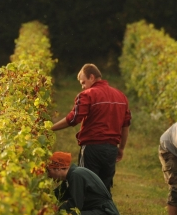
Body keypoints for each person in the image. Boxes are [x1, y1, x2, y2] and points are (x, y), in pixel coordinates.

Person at [51, 64, 131, 192]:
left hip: (92, 148)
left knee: (85, 184)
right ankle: (104, 211)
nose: (82, 87)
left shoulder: (87, 95)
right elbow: (125, 125)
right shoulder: (121, 97)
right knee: (104, 188)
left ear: (92, 77)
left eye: (83, 82)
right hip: (111, 149)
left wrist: (50, 128)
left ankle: (85, 211)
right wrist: (121, 148)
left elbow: (73, 119)